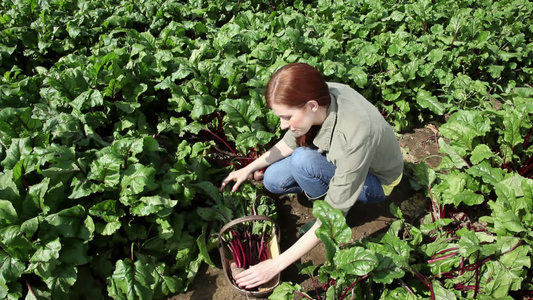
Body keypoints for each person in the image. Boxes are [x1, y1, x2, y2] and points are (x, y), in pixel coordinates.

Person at [219, 62, 404, 289]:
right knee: (272, 180)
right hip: (341, 158)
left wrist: (275, 265)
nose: (283, 125)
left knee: (302, 162)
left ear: (311, 106)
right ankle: (320, 187)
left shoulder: (354, 136)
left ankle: (337, 207)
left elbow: (331, 215)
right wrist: (247, 168)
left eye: (287, 117)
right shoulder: (318, 97)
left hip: (376, 181)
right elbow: (289, 142)